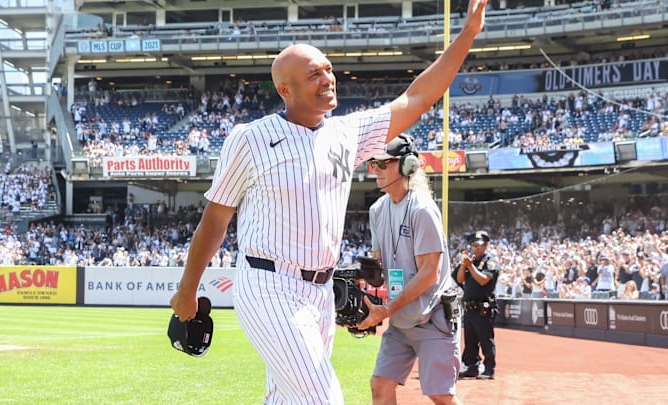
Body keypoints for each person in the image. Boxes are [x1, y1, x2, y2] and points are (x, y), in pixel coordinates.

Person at [169, 1, 487, 402]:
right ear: (286, 90)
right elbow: (214, 221)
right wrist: (187, 290)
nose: (327, 78)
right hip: (269, 284)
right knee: (323, 399)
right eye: (314, 73)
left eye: (328, 69)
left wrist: (468, 34)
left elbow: (418, 97)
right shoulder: (249, 138)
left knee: (287, 398)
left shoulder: (346, 132)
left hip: (320, 292)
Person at [356, 135, 462, 405]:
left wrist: (387, 309)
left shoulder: (422, 209)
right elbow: (379, 265)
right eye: (372, 164)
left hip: (433, 317)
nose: (376, 170)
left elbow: (429, 273)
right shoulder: (378, 209)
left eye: (382, 163)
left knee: (440, 395)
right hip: (402, 318)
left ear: (406, 166)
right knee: (380, 386)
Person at [451, 231, 499, 380]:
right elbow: (459, 279)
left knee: (486, 340)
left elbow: (484, 280)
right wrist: (463, 266)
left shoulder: (490, 262)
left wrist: (470, 267)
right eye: (473, 245)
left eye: (479, 245)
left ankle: (489, 369)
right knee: (470, 341)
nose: (476, 248)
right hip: (469, 307)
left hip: (483, 308)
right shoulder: (469, 261)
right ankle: (471, 366)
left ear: (486, 246)